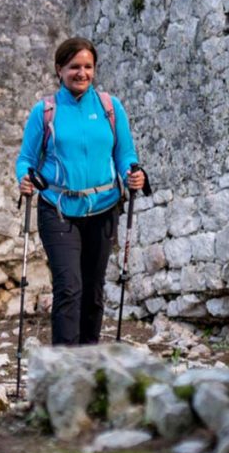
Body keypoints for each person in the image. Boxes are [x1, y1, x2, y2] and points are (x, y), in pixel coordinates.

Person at [15, 37, 146, 346]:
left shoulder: (110, 108)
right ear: (60, 69)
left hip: (104, 208)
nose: (82, 73)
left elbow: (125, 153)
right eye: (74, 67)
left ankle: (88, 362)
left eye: (88, 67)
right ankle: (63, 371)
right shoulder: (45, 111)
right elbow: (26, 159)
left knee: (93, 289)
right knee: (68, 287)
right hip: (57, 208)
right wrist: (25, 178)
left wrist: (132, 173)